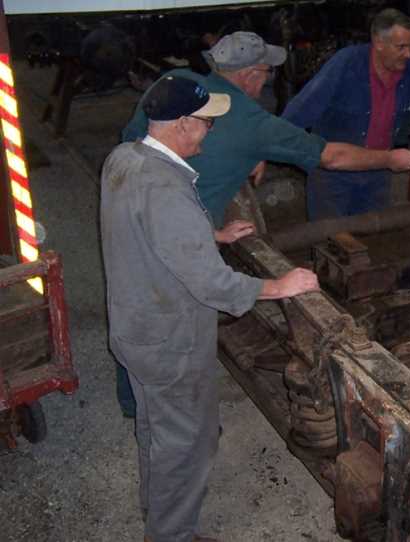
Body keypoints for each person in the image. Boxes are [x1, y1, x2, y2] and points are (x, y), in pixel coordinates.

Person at [117, 30, 410, 418]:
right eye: (266, 71)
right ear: (250, 75)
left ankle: (132, 401)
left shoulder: (171, 88)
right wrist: (389, 159)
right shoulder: (254, 123)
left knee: (134, 309)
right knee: (171, 324)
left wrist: (213, 225)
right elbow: (333, 156)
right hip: (176, 252)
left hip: (131, 217)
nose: (267, 80)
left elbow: (131, 143)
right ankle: (165, 418)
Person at [102, 75, 320, 542]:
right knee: (187, 444)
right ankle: (172, 535)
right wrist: (279, 285)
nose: (210, 131)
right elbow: (212, 284)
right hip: (169, 342)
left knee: (154, 427)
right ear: (181, 124)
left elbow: (145, 230)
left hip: (134, 329)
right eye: (205, 123)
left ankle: (157, 513)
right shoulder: (167, 188)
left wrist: (209, 237)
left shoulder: (125, 159)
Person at [281, 8, 410, 220]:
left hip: (378, 173)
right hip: (333, 176)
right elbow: (299, 111)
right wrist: (266, 149)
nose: (408, 54)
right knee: (328, 241)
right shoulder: (346, 64)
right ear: (379, 43)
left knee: (374, 238)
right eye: (401, 47)